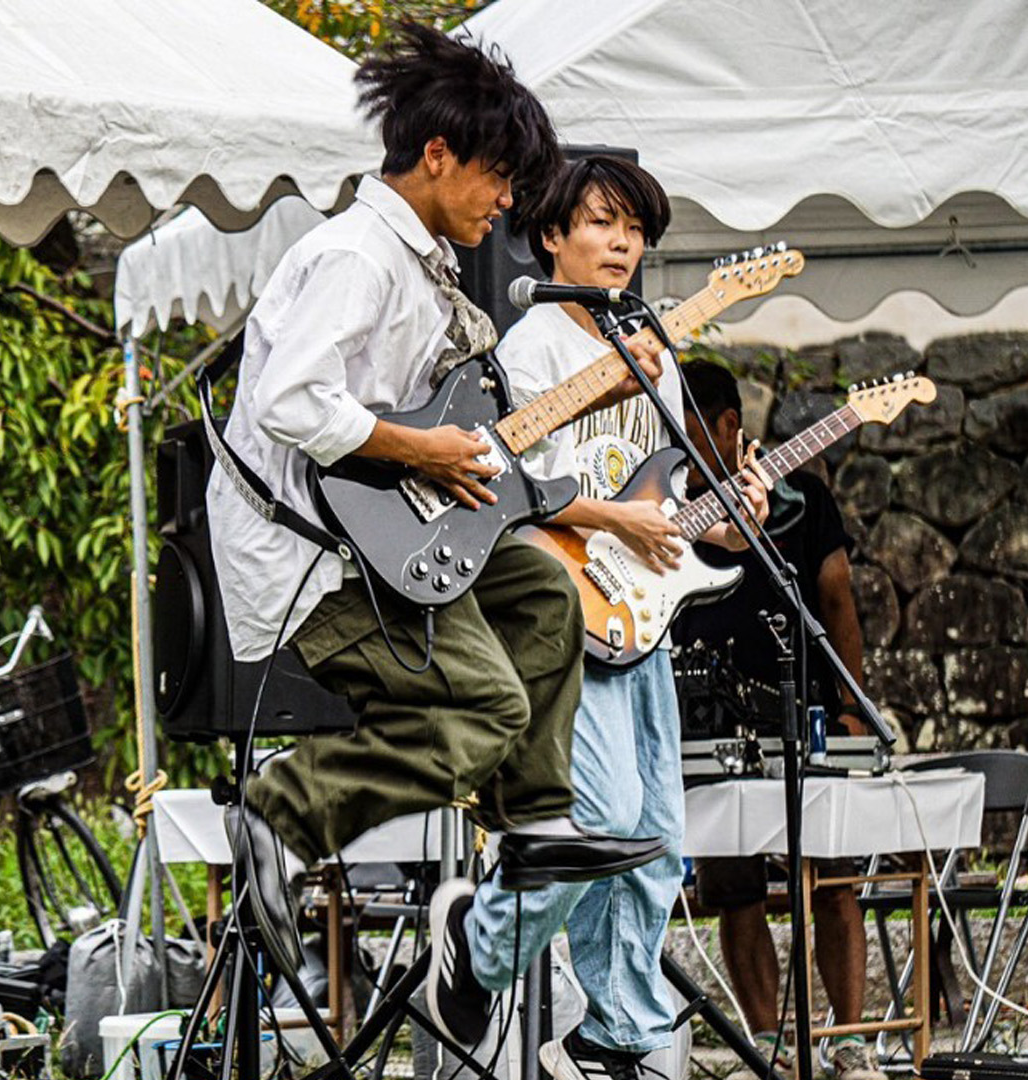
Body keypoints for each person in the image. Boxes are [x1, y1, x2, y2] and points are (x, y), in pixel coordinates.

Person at [207, 24, 664, 1049]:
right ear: (438, 157)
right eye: (499, 179)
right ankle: (284, 814)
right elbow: (292, 402)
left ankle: (535, 823)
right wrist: (422, 453)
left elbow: (448, 424)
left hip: (386, 532)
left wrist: (502, 472)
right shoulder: (355, 258)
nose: (508, 204)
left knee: (544, 594)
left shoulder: (424, 272)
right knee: (488, 701)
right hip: (313, 558)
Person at [495, 157, 771, 1080]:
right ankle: (504, 973)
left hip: (638, 618)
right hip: (560, 612)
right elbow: (508, 480)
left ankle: (618, 1036)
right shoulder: (529, 348)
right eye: (602, 223)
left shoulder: (649, 340)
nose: (621, 243)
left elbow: (663, 496)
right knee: (602, 819)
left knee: (657, 840)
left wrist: (728, 520)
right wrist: (613, 520)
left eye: (635, 229)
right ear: (550, 237)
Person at [673, 360, 884, 1080]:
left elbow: (837, 599)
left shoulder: (801, 500)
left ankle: (849, 1039)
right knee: (732, 888)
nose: (680, 448)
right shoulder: (665, 508)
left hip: (807, 713)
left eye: (692, 432)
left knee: (834, 874)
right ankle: (767, 1044)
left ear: (731, 425)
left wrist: (852, 703)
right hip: (710, 725)